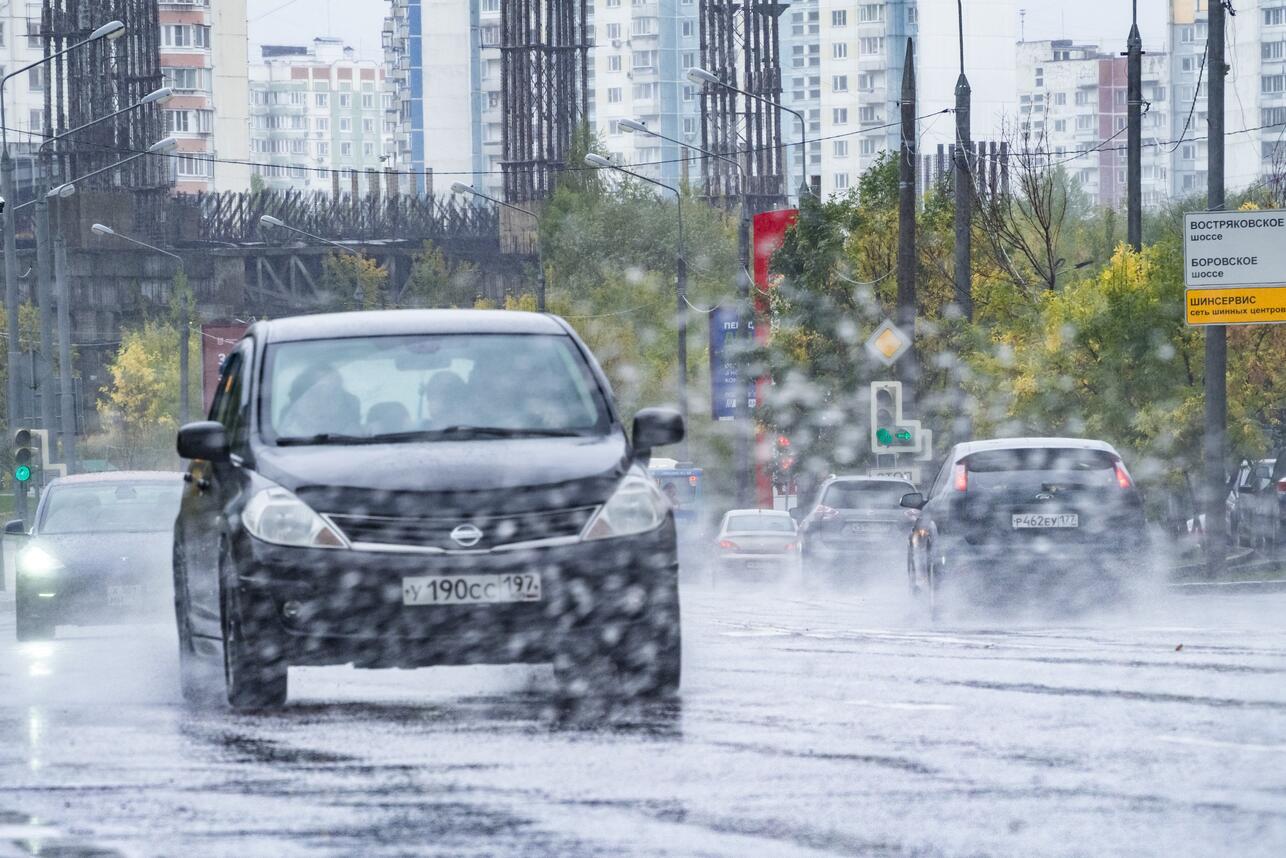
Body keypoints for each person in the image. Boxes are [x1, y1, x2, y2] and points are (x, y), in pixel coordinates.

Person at [277, 363, 360, 437]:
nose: (324, 402)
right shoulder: (279, 440)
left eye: (334, 393)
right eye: (317, 393)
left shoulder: (361, 439)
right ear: (298, 401)